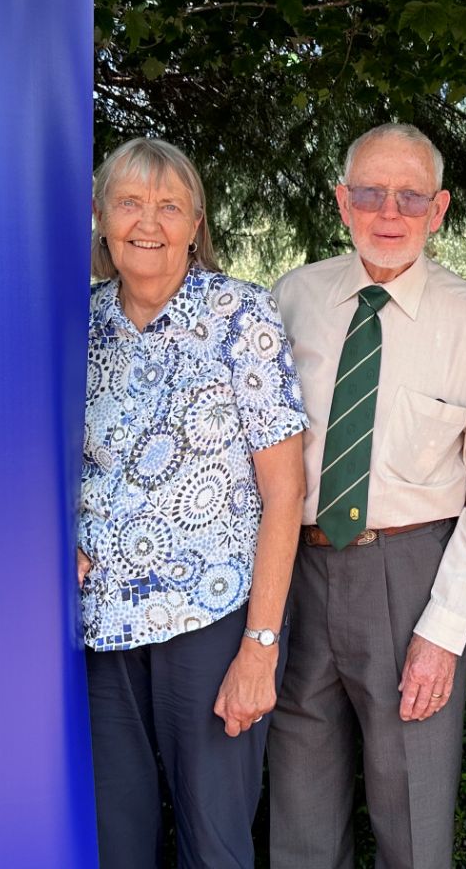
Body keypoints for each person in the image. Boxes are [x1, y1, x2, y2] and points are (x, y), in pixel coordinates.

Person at [268, 123, 466, 869]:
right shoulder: (291, 299)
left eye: (410, 195)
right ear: (343, 201)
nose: (389, 211)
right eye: (371, 191)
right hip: (294, 571)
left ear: (438, 210)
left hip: (413, 578)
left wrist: (445, 630)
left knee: (411, 810)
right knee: (299, 808)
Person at [76, 137, 307, 869]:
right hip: (103, 628)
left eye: (170, 206)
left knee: (215, 847)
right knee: (117, 844)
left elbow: (284, 491)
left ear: (195, 222)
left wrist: (259, 650)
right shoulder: (77, 325)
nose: (150, 222)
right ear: (101, 215)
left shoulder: (242, 315)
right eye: (130, 203)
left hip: (213, 621)